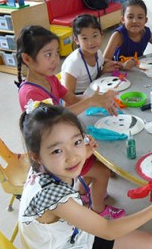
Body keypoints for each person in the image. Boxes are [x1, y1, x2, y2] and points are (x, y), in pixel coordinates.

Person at [18, 103, 152, 249]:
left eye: (76, 142)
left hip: (77, 238)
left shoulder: (45, 165)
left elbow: (69, 160)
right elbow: (107, 229)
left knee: (150, 244)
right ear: (36, 156)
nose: (73, 156)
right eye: (57, 151)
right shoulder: (52, 197)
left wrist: (85, 153)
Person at [15, 25, 125, 219]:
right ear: (27, 59)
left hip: (63, 145)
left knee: (94, 152)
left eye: (56, 53)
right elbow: (52, 123)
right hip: (51, 156)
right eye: (48, 54)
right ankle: (98, 209)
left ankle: (83, 193)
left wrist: (98, 97)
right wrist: (92, 101)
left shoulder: (49, 79)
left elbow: (72, 99)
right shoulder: (30, 93)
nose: (55, 59)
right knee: (103, 171)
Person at [103, 0, 152, 70]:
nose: (135, 21)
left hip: (138, 69)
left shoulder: (146, 32)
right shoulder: (118, 36)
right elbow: (104, 60)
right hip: (120, 72)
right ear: (123, 20)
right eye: (130, 17)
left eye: (140, 17)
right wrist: (121, 65)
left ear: (145, 20)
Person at [62, 14, 118, 95]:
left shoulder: (98, 53)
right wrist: (92, 100)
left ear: (101, 35)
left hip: (91, 92)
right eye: (84, 38)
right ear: (76, 40)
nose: (91, 42)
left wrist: (119, 65)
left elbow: (102, 60)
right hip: (77, 98)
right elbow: (67, 102)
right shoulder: (73, 64)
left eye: (94, 36)